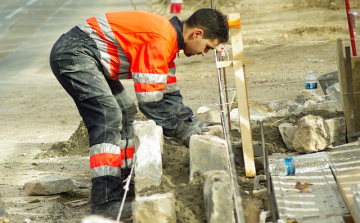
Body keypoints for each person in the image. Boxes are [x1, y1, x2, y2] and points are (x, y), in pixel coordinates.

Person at [49, 8, 229, 219]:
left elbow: (170, 96)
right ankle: (105, 201)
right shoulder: (160, 40)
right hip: (74, 53)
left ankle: (125, 183)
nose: (204, 53)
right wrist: (183, 132)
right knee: (108, 116)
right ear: (196, 34)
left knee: (126, 112)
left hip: (88, 56)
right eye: (208, 47)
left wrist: (194, 125)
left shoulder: (168, 41)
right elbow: (151, 104)